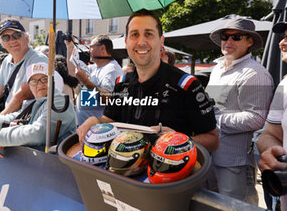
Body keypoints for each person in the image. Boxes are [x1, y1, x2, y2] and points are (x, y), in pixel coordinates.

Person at [77, 9, 219, 153]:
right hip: (123, 170)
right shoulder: (122, 82)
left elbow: (213, 140)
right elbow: (110, 119)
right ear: (127, 42)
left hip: (169, 172)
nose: (141, 42)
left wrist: (179, 140)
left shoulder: (186, 85)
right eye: (134, 35)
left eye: (149, 34)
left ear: (161, 41)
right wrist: (96, 121)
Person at [205, 18, 274, 205]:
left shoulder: (255, 73)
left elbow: (256, 118)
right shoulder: (217, 69)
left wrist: (213, 120)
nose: (228, 41)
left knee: (236, 207)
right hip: (209, 156)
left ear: (249, 41)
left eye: (236, 37)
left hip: (234, 162)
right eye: (225, 36)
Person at [0, 18, 48, 115]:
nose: (12, 40)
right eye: (6, 38)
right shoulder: (7, 60)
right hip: (11, 117)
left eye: (17, 35)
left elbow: (23, 95)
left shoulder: (37, 59)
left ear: (27, 38)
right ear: (2, 43)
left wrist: (0, 119)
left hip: (27, 119)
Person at [258, 21, 287, 211]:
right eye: (284, 37)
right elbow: (269, 134)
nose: (282, 43)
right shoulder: (284, 85)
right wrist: (270, 152)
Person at [66, 35, 123, 125]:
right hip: (86, 128)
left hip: (98, 131)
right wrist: (70, 48)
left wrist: (86, 81)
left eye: (91, 47)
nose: (89, 51)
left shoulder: (112, 69)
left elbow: (109, 99)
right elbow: (72, 72)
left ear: (102, 48)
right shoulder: (94, 67)